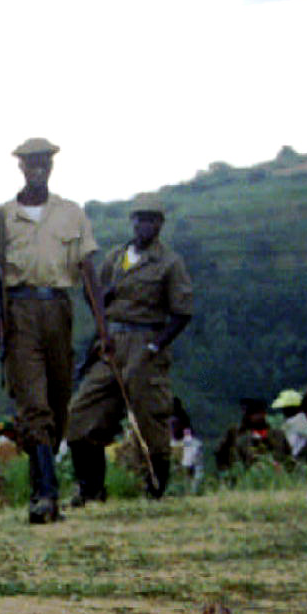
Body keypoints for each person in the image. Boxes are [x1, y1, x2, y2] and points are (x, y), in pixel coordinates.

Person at [0, 137, 107, 523]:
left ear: (51, 167)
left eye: (43, 163)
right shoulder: (0, 216)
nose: (37, 169)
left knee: (58, 402)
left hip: (60, 309)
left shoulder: (71, 214)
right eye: (30, 163)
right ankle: (46, 495)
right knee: (33, 402)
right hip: (19, 310)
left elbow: (88, 272)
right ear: (20, 167)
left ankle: (42, 485)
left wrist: (103, 327)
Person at [66, 193, 194, 503]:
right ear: (131, 221)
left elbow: (182, 312)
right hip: (110, 342)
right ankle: (91, 489)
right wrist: (100, 298)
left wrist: (155, 345)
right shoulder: (116, 257)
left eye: (151, 219)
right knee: (81, 415)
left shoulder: (169, 263)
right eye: (139, 218)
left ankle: (156, 489)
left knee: (150, 419)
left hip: (145, 341)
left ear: (160, 224)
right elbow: (96, 299)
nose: (144, 225)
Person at [213, 397, 290, 475]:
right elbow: (220, 453)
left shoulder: (277, 434)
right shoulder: (234, 433)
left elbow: (287, 456)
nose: (258, 416)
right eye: (255, 413)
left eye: (260, 413)